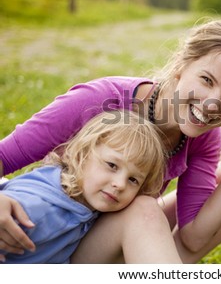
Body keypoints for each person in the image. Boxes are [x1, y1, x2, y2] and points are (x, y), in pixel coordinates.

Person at [0, 19, 221, 263]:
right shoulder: (101, 99)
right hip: (56, 231)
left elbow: (193, 237)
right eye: (206, 80)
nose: (213, 104)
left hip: (103, 239)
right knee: (144, 208)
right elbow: (5, 156)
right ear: (181, 66)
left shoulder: (204, 136)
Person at [0, 110, 174, 263]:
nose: (120, 184)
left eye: (133, 180)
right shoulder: (40, 211)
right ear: (80, 155)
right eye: (112, 165)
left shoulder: (85, 203)